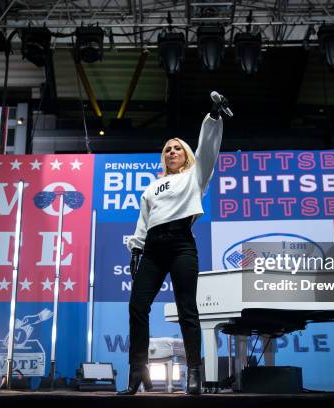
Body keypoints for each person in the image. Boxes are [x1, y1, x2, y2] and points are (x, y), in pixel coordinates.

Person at [118, 92, 230, 395]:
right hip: (153, 249)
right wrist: (136, 250)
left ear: (186, 155)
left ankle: (194, 373)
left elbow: (208, 149)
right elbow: (144, 219)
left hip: (181, 244)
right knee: (137, 307)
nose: (171, 151)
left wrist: (213, 117)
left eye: (177, 148)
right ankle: (136, 374)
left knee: (187, 309)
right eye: (167, 149)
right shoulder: (153, 186)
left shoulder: (195, 176)